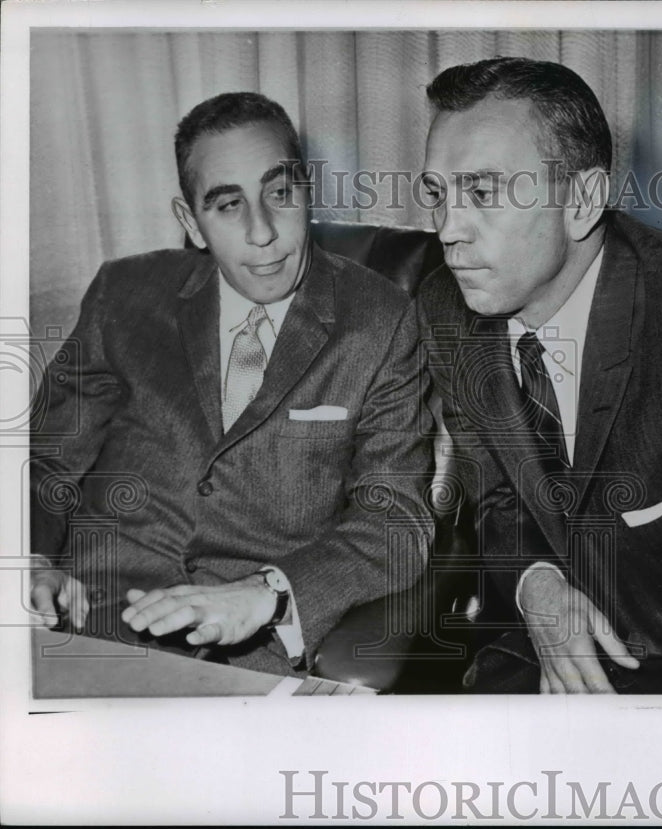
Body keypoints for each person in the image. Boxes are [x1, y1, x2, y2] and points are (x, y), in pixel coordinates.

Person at [416, 57, 662, 694]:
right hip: (550, 660)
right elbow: (498, 495)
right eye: (437, 194)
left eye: (484, 192)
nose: (447, 230)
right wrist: (538, 587)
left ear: (582, 201)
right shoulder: (448, 309)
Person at [29, 92, 433, 676]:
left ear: (307, 190)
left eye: (280, 193)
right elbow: (42, 461)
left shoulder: (382, 321)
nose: (262, 232)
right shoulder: (124, 295)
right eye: (227, 205)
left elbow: (396, 521)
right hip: (81, 632)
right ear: (192, 222)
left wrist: (268, 593)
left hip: (245, 660)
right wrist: (30, 561)